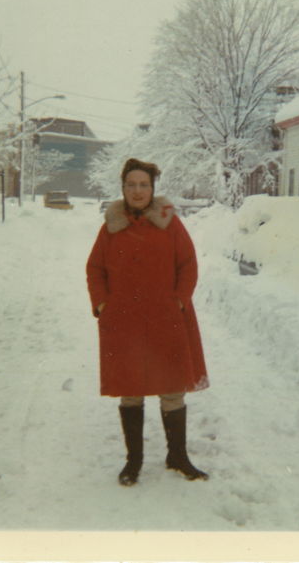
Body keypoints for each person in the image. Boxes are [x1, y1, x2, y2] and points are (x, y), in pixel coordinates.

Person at [86, 157, 209, 486]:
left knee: (172, 388)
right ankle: (134, 460)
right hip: (123, 321)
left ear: (152, 188)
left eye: (144, 185)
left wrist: (180, 299)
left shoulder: (170, 223)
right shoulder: (110, 227)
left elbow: (188, 264)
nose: (137, 191)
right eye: (131, 185)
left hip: (166, 318)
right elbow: (95, 269)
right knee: (131, 390)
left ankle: (177, 456)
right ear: (123, 188)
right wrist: (101, 303)